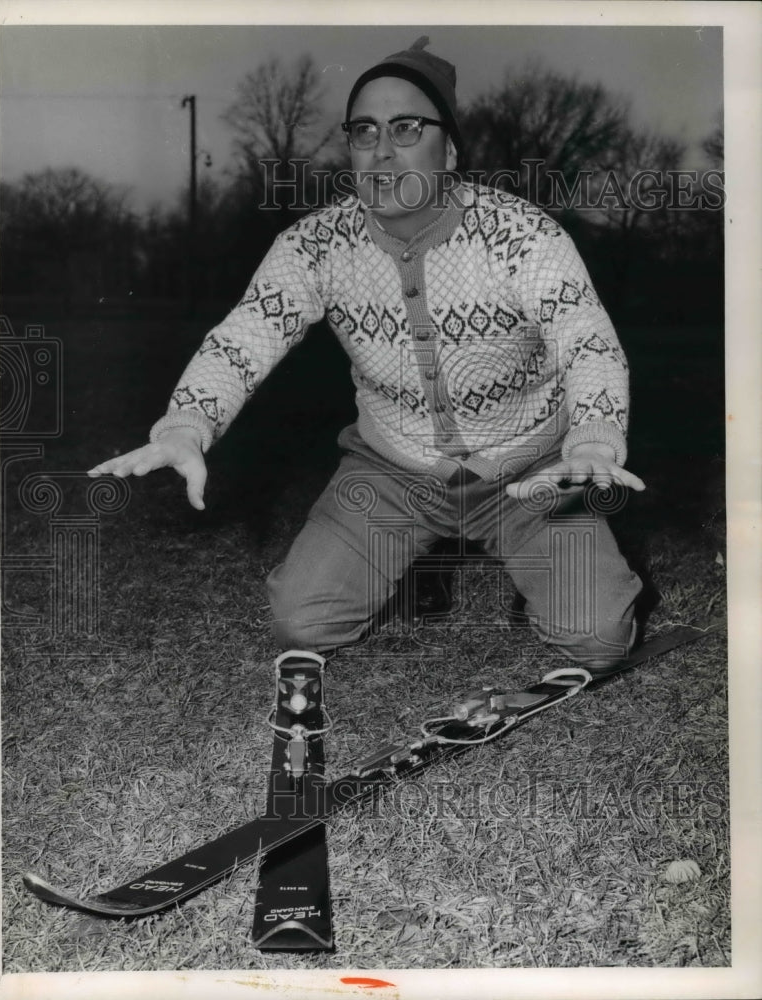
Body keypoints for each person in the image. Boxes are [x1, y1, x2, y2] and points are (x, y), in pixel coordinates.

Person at [89, 37, 645, 671]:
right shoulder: (316, 245)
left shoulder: (522, 233)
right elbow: (245, 333)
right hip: (394, 475)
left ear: (451, 148)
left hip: (533, 471)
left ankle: (535, 565)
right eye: (364, 130)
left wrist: (593, 444)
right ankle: (412, 560)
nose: (382, 150)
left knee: (597, 638)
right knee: (301, 621)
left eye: (407, 128)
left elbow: (588, 340)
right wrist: (187, 425)